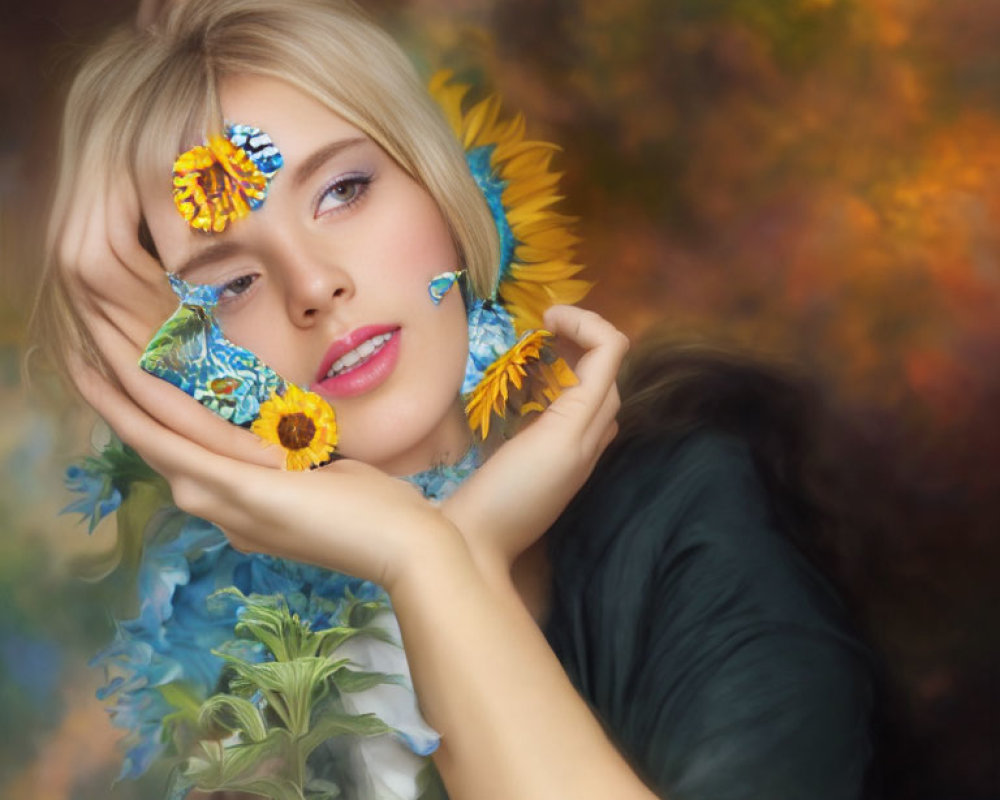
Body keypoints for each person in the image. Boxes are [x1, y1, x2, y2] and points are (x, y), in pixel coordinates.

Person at [31, 0, 875, 798]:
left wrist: (430, 561)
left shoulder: (690, 510)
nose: (315, 285)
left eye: (344, 190)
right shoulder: (205, 688)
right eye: (231, 281)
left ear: (440, 183)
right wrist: (436, 547)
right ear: (174, 369)